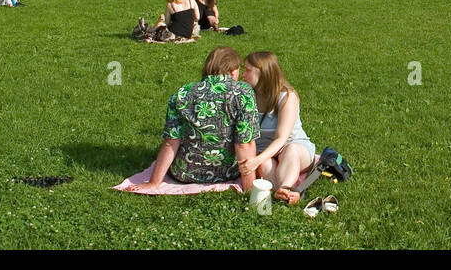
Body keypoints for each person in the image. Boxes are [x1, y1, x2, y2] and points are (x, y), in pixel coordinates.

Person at [127, 47, 260, 193]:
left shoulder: (183, 93)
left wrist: (154, 182)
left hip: (184, 173)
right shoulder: (243, 93)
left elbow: (170, 142)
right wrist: (249, 187)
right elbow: (244, 144)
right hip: (227, 173)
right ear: (234, 71)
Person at [240, 51, 315, 205]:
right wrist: (258, 160)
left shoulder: (287, 96)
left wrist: (256, 160)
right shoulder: (248, 94)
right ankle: (285, 193)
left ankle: (286, 187)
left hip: (294, 148)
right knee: (264, 164)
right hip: (266, 152)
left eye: (248, 70)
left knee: (291, 150)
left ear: (263, 73)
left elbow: (282, 138)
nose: (243, 74)